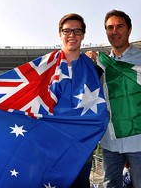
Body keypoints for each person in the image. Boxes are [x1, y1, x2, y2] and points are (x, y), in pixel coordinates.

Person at [86, 9, 141, 188]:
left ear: (129, 29)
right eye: (110, 28)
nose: (114, 31)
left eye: (119, 26)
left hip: (139, 140)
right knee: (111, 185)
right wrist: (84, 65)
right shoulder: (100, 64)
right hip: (110, 140)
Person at [57, 13, 92, 188]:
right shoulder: (46, 69)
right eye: (67, 31)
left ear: (83, 35)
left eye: (77, 31)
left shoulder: (94, 68)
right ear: (60, 34)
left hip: (82, 150)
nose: (72, 35)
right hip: (52, 149)